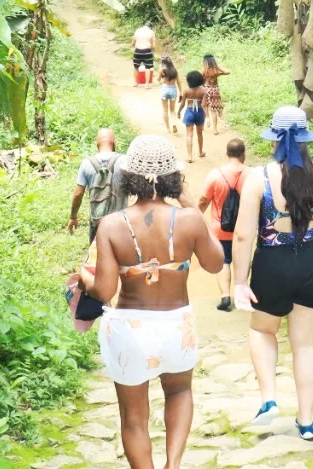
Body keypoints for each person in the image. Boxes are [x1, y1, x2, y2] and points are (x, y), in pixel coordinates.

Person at [84, 135, 224, 469]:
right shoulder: (188, 220)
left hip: (130, 331)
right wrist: (189, 202)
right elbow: (216, 264)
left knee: (133, 418)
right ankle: (172, 465)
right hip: (178, 327)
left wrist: (83, 281)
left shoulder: (111, 225)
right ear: (172, 177)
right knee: (179, 392)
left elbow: (103, 291)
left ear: (128, 175)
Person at [230, 106, 313, 442]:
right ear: (306, 140)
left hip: (273, 262)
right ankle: (307, 421)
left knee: (262, 331)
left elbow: (243, 235)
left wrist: (239, 281)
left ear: (273, 141)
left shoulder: (257, 177)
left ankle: (269, 398)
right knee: (304, 343)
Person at [197, 139, 246, 312]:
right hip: (244, 229)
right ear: (243, 154)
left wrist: (196, 215)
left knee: (224, 262)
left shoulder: (215, 175)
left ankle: (225, 296)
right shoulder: (251, 175)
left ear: (227, 154)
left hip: (221, 229)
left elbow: (204, 200)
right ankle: (241, 297)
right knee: (241, 262)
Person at [68, 129, 126, 242]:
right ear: (115, 142)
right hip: (120, 220)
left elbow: (78, 194)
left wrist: (73, 217)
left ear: (96, 143)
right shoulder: (124, 160)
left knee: (97, 254)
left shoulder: (86, 163)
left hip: (98, 222)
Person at [177, 71, 206, 162]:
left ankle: (190, 156)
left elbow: (182, 104)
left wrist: (178, 112)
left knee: (189, 135)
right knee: (200, 133)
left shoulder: (186, 90)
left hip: (189, 112)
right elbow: (204, 104)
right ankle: (200, 152)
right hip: (200, 112)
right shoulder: (203, 91)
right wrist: (207, 116)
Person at [200, 54, 230, 136]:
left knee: (204, 105)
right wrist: (218, 67)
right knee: (214, 110)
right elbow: (228, 72)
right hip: (215, 90)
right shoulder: (216, 71)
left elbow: (199, 77)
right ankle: (215, 129)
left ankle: (207, 118)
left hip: (206, 90)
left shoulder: (204, 71)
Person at [159, 56, 180, 134]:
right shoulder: (175, 71)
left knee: (165, 110)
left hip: (165, 89)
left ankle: (168, 128)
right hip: (173, 90)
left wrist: (161, 75)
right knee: (172, 110)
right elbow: (179, 83)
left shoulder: (162, 71)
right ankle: (174, 123)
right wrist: (181, 92)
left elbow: (159, 80)